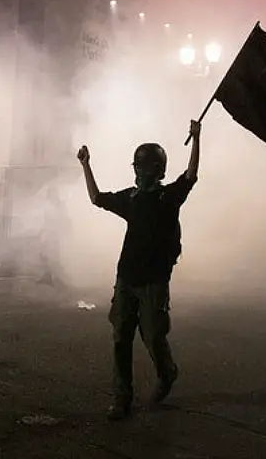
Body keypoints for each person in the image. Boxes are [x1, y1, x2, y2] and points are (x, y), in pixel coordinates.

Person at [78, 119, 201, 421]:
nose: (139, 172)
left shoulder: (169, 198)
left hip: (154, 283)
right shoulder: (130, 199)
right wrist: (85, 164)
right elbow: (96, 198)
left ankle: (167, 372)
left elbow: (191, 175)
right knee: (121, 338)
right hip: (126, 279)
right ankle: (122, 398)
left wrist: (197, 139)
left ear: (159, 170)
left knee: (154, 338)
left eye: (145, 167)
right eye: (137, 166)